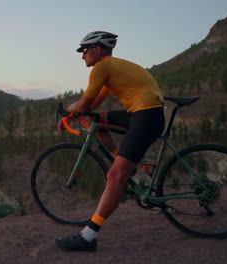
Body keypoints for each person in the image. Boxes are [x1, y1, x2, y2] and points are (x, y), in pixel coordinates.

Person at [55, 31, 165, 251]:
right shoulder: (111, 69)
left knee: (115, 175)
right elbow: (91, 108)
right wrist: (74, 114)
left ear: (97, 49)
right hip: (144, 114)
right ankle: (122, 162)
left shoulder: (102, 67)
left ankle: (88, 236)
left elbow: (84, 104)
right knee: (95, 119)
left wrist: (67, 109)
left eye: (85, 51)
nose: (82, 56)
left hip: (145, 116)